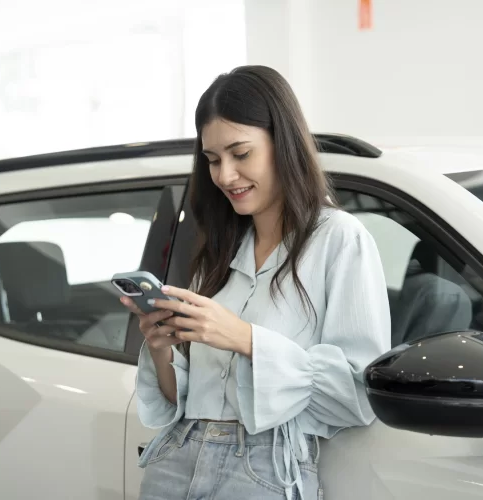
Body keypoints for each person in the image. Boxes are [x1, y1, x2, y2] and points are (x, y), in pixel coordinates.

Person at [120, 65, 391, 500]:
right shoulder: (220, 250)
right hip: (176, 458)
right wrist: (160, 345)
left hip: (262, 468)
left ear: (281, 143)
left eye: (240, 153)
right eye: (212, 160)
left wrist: (246, 338)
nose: (225, 175)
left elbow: (358, 396)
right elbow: (181, 402)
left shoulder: (338, 239)